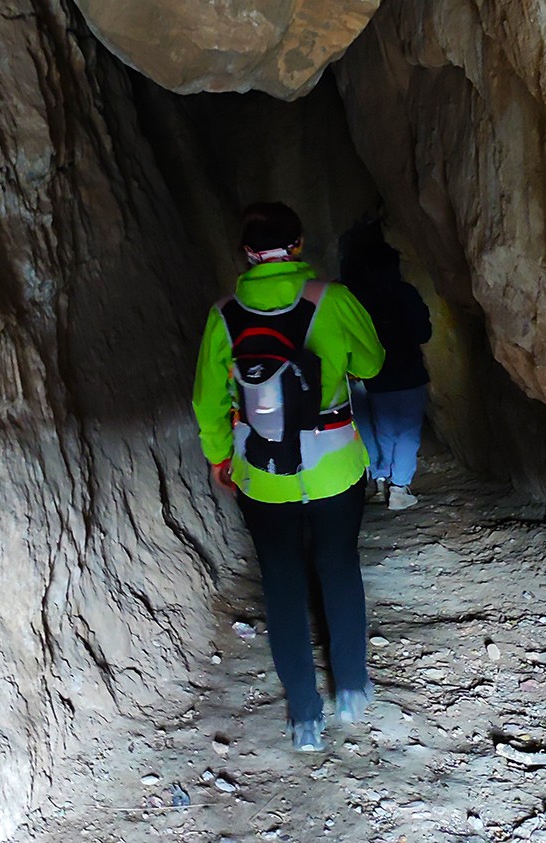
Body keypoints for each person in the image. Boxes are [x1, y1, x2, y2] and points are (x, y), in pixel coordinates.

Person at [192, 202, 385, 752]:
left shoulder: (223, 314)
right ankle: (351, 688)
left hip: (262, 472)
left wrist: (219, 456)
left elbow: (207, 401)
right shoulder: (333, 299)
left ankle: (304, 718)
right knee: (338, 566)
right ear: (297, 245)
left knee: (281, 582)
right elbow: (370, 365)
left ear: (247, 254)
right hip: (333, 467)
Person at [343, 239, 432, 510]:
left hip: (377, 376)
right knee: (407, 432)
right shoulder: (405, 293)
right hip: (409, 373)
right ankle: (399, 487)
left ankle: (380, 478)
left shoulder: (362, 299)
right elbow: (423, 332)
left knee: (383, 430)